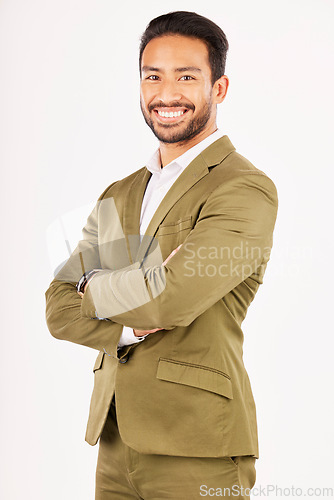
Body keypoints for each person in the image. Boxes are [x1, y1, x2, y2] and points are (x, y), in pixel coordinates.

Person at [45, 11, 278, 500]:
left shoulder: (243, 188)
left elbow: (167, 300)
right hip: (114, 441)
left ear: (219, 88)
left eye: (186, 76)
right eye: (153, 76)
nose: (166, 93)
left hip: (198, 443)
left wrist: (95, 285)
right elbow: (59, 309)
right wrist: (125, 315)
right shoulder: (122, 192)